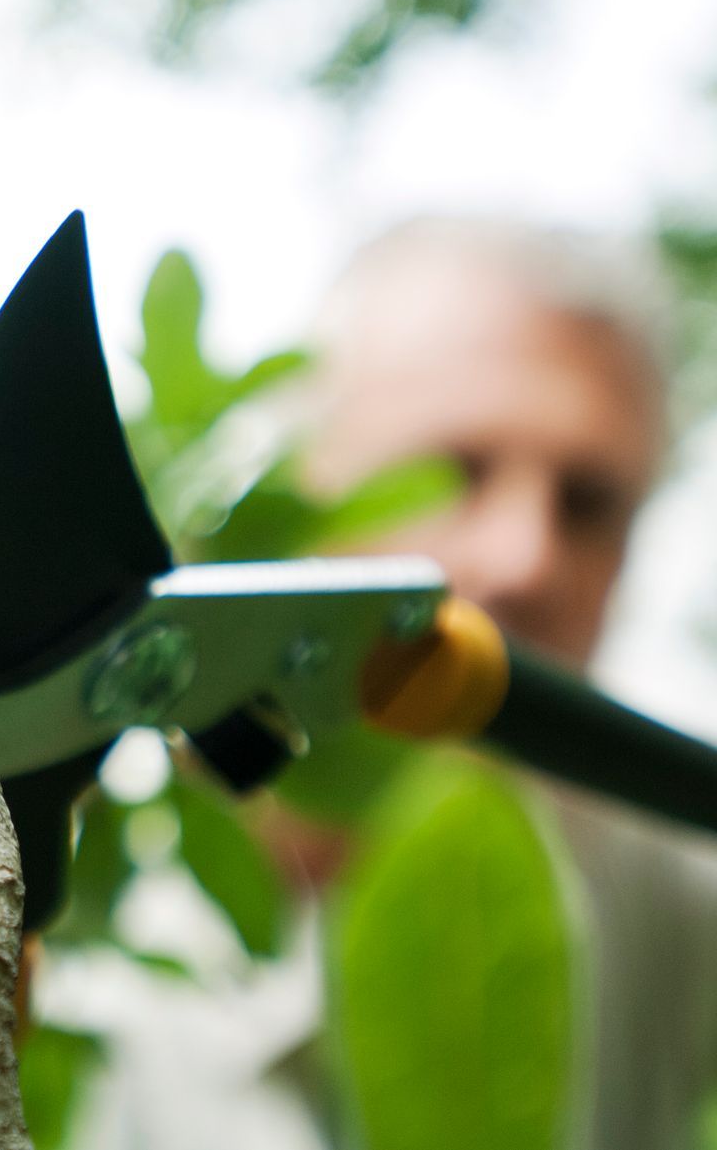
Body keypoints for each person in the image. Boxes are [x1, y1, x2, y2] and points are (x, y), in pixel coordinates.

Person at [52, 216, 717, 1149]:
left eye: (590, 503)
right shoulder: (65, 930)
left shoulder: (667, 896)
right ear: (294, 489)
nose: (525, 558)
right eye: (454, 469)